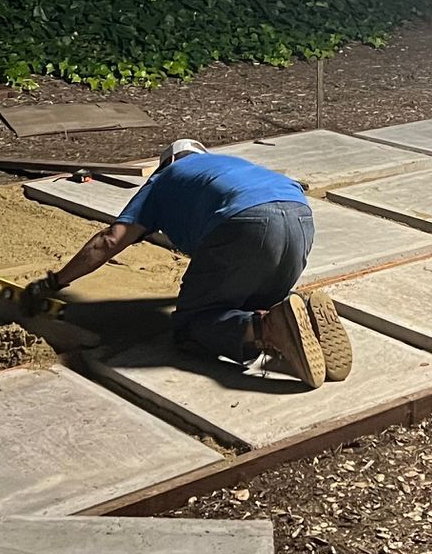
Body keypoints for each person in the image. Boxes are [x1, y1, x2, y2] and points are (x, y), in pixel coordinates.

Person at [33, 139, 354, 388]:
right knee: (247, 303)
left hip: (245, 223)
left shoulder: (165, 179)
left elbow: (110, 241)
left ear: (168, 162)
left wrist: (56, 281)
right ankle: (297, 316)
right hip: (300, 217)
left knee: (191, 325)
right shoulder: (229, 165)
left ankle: (268, 328)